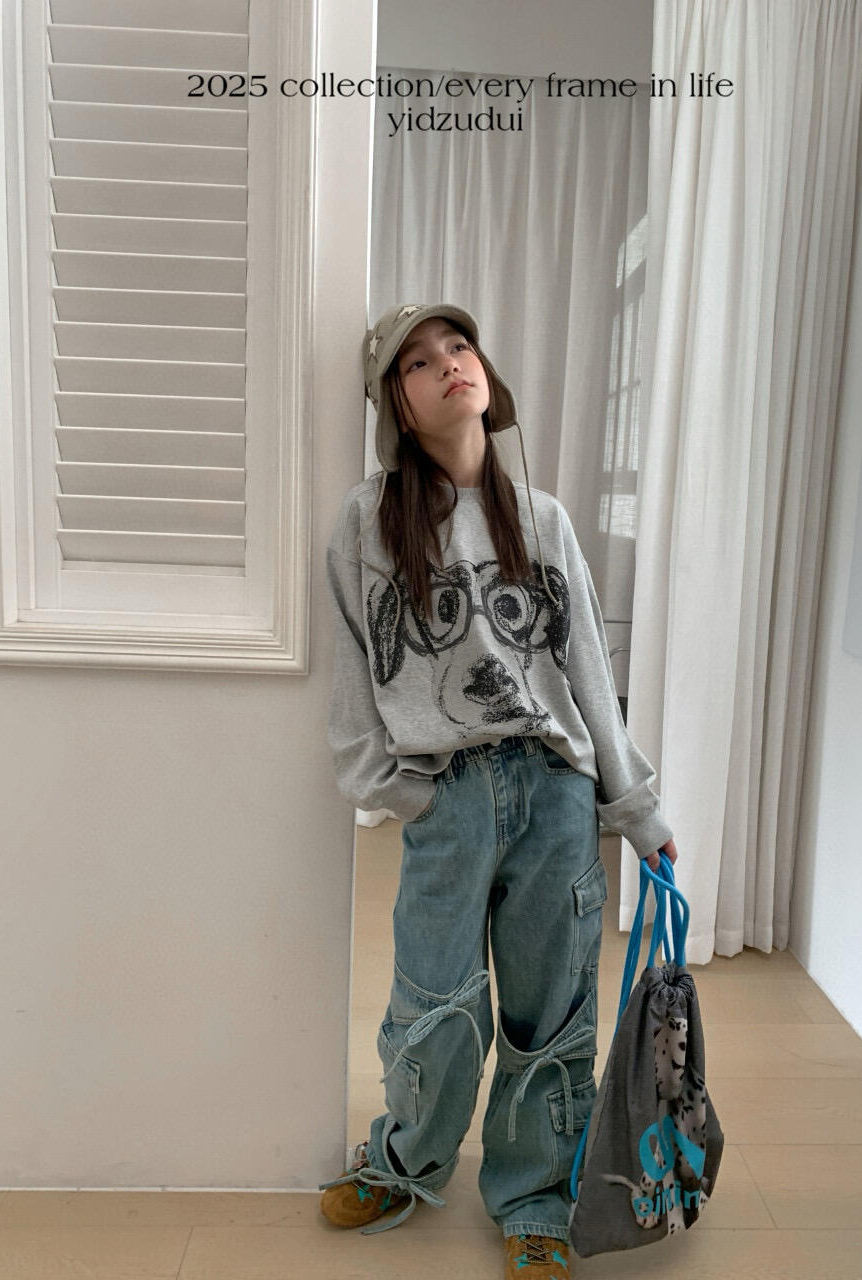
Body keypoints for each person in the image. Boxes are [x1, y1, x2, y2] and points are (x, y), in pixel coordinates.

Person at [318, 302, 678, 1279]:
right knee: (434, 1001)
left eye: (458, 347)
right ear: (394, 403)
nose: (447, 365)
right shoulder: (367, 522)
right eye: (417, 362)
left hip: (554, 796)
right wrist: (392, 788)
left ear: (484, 372)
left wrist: (637, 808)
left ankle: (535, 1198)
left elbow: (590, 672)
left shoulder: (542, 517)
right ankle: (405, 1160)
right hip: (448, 797)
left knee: (548, 1010)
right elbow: (351, 675)